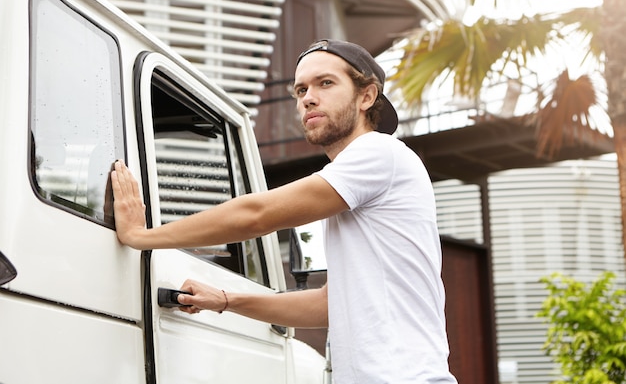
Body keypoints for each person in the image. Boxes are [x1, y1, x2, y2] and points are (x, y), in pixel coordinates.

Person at [111, 39, 458, 384]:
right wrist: (225, 300)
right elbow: (328, 304)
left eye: (326, 83)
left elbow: (258, 215)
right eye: (300, 89)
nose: (308, 97)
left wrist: (142, 237)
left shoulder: (378, 152)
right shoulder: (356, 186)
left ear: (366, 97)